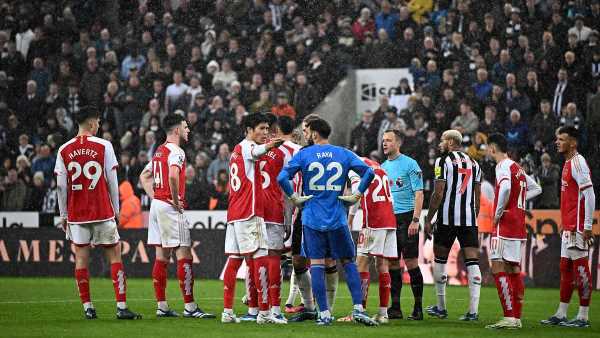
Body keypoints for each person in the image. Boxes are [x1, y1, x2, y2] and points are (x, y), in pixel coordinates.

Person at [277, 117, 378, 326]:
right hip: (338, 217)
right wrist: (356, 195)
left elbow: (281, 178)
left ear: (314, 133)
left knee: (316, 264)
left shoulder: (304, 154)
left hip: (312, 218)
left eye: (307, 132)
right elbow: (369, 172)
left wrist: (294, 197)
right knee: (348, 262)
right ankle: (358, 309)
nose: (305, 135)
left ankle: (323, 313)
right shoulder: (343, 153)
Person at [54, 106, 141, 320]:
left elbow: (60, 186)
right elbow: (112, 180)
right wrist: (116, 210)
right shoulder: (104, 146)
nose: (99, 125)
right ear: (92, 123)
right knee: (114, 256)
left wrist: (64, 214)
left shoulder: (64, 149)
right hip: (102, 211)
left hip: (77, 214)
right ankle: (121, 307)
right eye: (99, 122)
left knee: (81, 259)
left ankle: (88, 308)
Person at [139, 114, 214, 319]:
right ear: (176, 130)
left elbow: (144, 177)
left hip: (156, 206)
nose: (188, 130)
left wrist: (156, 196)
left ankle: (162, 306)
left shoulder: (159, 152)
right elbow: (173, 175)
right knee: (184, 255)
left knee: (161, 257)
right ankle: (190, 307)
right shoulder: (177, 151)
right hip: (169, 207)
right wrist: (173, 199)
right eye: (185, 126)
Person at [221, 113, 285, 324]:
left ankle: (228, 312)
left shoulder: (235, 151)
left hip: (235, 213)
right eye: (261, 128)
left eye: (267, 129)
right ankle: (265, 313)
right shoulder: (247, 147)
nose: (265, 133)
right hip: (250, 213)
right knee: (261, 260)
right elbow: (256, 151)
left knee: (234, 260)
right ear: (249, 129)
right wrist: (271, 146)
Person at [423, 129, 483, 321]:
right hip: (468, 220)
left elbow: (438, 193)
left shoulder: (443, 161)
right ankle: (473, 312)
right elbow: (477, 197)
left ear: (450, 142)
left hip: (447, 219)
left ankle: (441, 308)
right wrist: (472, 217)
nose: (440, 144)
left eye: (442, 140)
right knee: (472, 262)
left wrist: (428, 218)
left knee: (440, 260)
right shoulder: (475, 164)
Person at [485, 133, 541, 329]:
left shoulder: (502, 167)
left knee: (498, 267)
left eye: (487, 148)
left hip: (505, 225)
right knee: (513, 269)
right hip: (517, 225)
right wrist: (520, 206)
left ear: (493, 148)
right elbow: (537, 189)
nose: (486, 151)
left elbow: (506, 188)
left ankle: (509, 317)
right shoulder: (516, 166)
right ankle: (516, 317)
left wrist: (498, 213)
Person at [541, 126, 596, 328]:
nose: (557, 142)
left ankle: (583, 317)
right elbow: (572, 198)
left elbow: (590, 195)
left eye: (562, 139)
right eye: (557, 139)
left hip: (578, 226)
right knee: (566, 268)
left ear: (573, 143)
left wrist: (587, 225)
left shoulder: (578, 163)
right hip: (569, 226)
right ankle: (561, 313)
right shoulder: (567, 163)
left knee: (580, 269)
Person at [381, 129, 425, 320]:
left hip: (407, 218)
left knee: (411, 261)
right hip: (390, 219)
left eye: (388, 140)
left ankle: (418, 308)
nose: (384, 143)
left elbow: (419, 193)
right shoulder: (382, 167)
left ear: (398, 143)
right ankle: (396, 308)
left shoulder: (410, 164)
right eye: (383, 140)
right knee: (392, 262)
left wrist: (416, 219)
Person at [347, 157, 397, 324]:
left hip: (373, 220)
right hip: (389, 219)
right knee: (382, 264)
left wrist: (350, 217)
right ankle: (383, 313)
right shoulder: (380, 168)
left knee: (361, 262)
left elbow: (356, 194)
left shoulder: (355, 167)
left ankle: (359, 310)